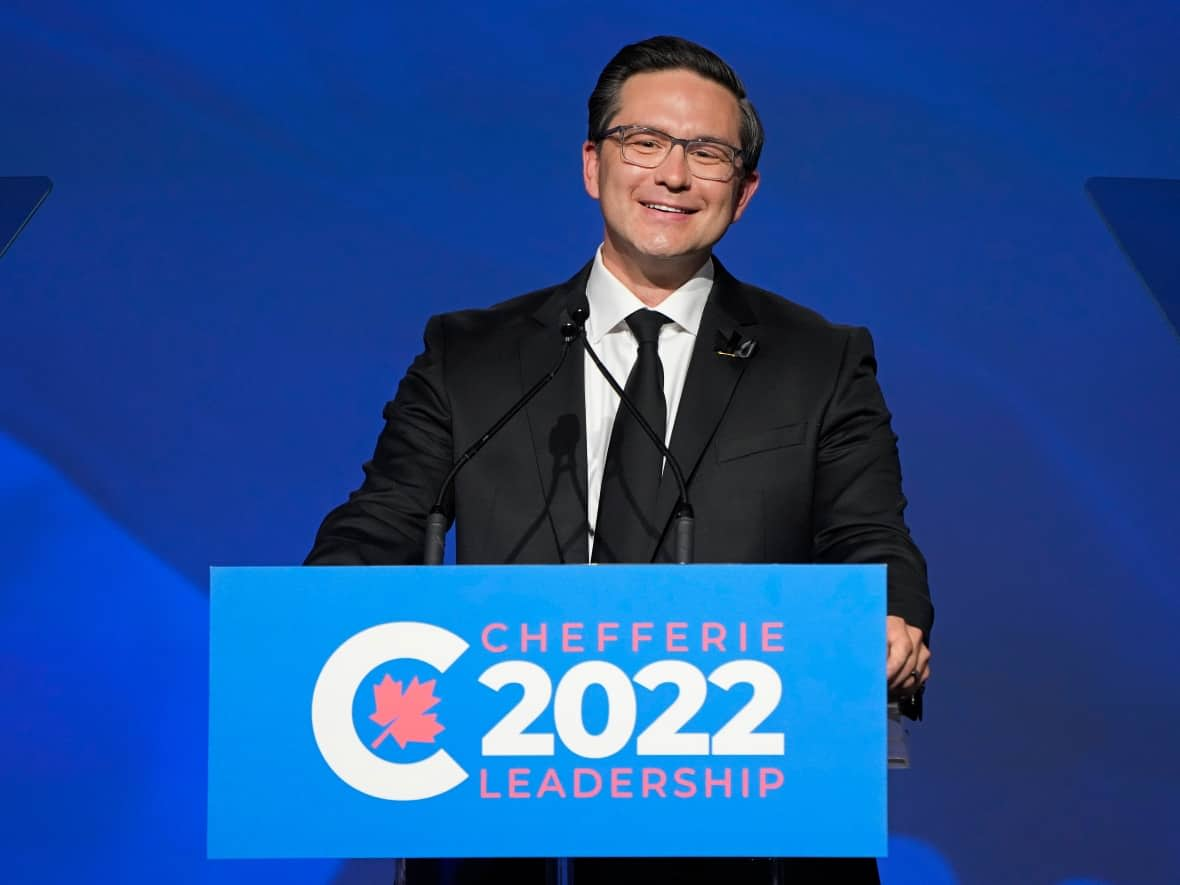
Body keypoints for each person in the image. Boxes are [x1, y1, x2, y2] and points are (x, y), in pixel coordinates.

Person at [308, 35, 932, 885]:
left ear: (743, 193)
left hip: (746, 829)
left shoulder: (818, 359)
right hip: (504, 822)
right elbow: (381, 521)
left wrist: (891, 620)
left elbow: (872, 538)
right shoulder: (472, 354)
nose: (674, 175)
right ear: (592, 164)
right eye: (645, 143)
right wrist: (313, 619)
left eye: (708, 153)